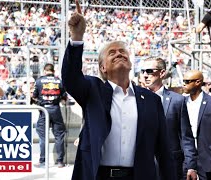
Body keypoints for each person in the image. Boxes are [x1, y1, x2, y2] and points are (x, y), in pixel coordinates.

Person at [61, 1, 176, 179]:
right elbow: (70, 78)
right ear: (103, 68)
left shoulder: (151, 100)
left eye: (122, 51)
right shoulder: (93, 90)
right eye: (112, 53)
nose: (119, 53)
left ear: (130, 64)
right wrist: (77, 37)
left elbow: (163, 149)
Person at [141, 57, 198, 180]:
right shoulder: (136, 99)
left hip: (171, 166)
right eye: (143, 71)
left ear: (162, 73)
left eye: (149, 71)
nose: (145, 75)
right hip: (142, 165)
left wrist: (191, 166)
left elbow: (185, 136)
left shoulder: (177, 101)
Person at [32, 63, 67, 168]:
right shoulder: (60, 81)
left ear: (44, 71)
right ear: (53, 71)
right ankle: (60, 161)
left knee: (43, 136)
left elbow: (34, 97)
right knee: (59, 136)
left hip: (44, 110)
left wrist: (40, 101)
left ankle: (42, 161)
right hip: (56, 109)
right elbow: (64, 99)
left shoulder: (39, 81)